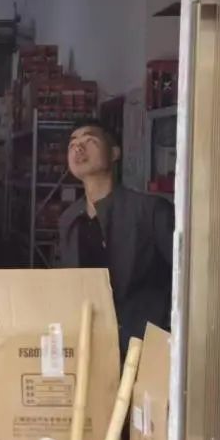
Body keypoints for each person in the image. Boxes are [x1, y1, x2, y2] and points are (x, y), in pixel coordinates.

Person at [58, 118, 174, 354]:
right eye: (72, 145)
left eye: (89, 141)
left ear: (114, 153)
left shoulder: (150, 211)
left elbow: (186, 280)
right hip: (90, 343)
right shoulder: (69, 219)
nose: (78, 148)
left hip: (144, 345)